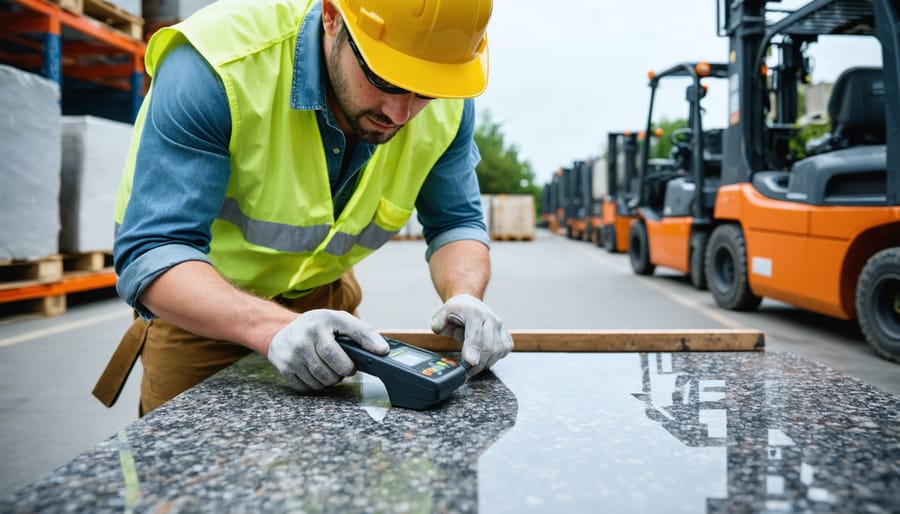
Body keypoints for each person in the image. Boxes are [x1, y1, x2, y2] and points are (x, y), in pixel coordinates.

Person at [92, 0, 514, 416]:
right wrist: (274, 328)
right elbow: (154, 252)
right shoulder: (216, 63)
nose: (400, 112)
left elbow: (456, 222)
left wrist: (465, 296)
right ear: (332, 16)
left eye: (425, 90)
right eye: (384, 78)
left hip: (325, 307)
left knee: (332, 468)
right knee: (190, 474)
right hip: (203, 313)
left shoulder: (448, 103)